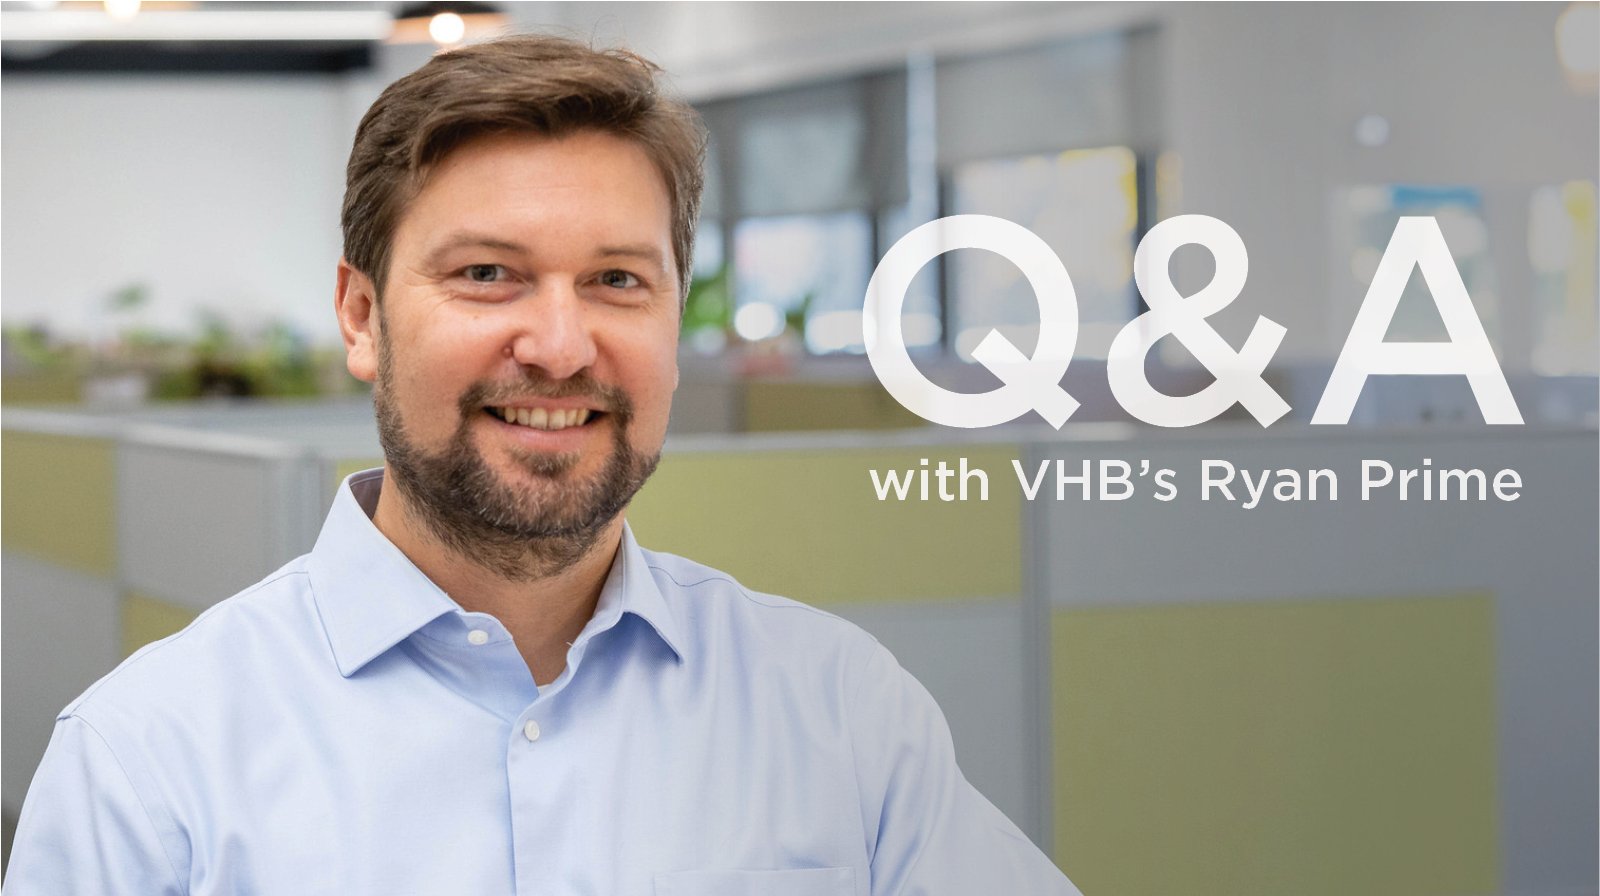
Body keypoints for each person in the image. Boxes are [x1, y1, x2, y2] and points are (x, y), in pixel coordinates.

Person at [5, 35, 1082, 895]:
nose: (562, 346)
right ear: (362, 314)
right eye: (487, 273)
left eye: (617, 279)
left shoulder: (836, 709)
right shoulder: (152, 755)